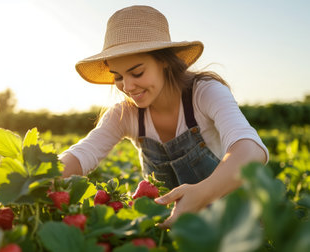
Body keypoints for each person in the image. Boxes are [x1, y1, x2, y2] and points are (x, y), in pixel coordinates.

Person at [59, 5, 268, 228]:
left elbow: (251, 150)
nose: (127, 86)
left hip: (237, 224)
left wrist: (202, 194)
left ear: (165, 61)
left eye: (137, 72)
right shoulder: (125, 114)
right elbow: (81, 154)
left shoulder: (204, 92)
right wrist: (35, 181)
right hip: (174, 230)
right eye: (118, 77)